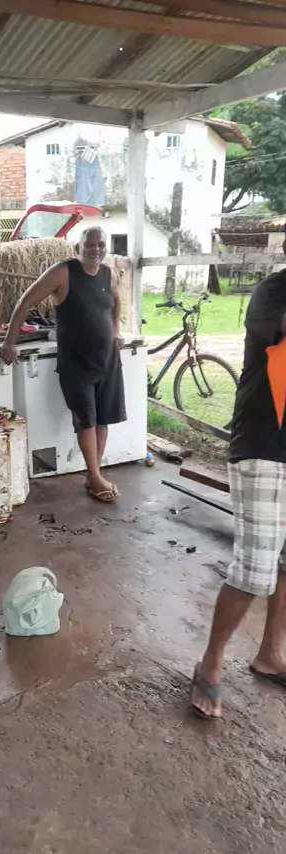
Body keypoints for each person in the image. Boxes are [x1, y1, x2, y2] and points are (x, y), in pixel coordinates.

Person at [191, 256, 286, 718]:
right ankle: (210, 662)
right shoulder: (273, 291)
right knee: (254, 569)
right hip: (264, 446)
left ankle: (271, 654)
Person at [1, 227, 125, 501]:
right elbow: (25, 302)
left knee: (103, 418)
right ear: (77, 248)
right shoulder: (63, 271)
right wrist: (10, 342)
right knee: (86, 419)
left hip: (108, 359)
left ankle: (95, 475)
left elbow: (116, 302)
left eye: (101, 244)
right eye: (89, 244)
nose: (96, 249)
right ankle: (94, 476)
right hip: (77, 361)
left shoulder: (109, 274)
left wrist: (116, 331)